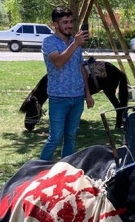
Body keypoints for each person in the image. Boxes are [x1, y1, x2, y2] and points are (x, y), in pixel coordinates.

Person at [39, 6, 94, 161]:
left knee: (70, 137)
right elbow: (58, 62)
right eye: (65, 22)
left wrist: (87, 94)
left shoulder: (74, 42)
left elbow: (81, 67)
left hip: (77, 97)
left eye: (71, 21)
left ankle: (65, 168)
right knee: (55, 138)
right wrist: (75, 44)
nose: (69, 25)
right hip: (59, 98)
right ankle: (37, 171)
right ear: (55, 25)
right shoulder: (49, 42)